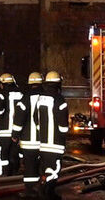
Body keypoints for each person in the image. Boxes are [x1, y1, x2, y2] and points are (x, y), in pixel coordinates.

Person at [36, 71, 69, 200]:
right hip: (55, 142)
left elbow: (35, 118)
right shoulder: (59, 100)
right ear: (58, 84)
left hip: (43, 142)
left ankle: (46, 190)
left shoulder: (41, 98)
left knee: (45, 167)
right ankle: (46, 189)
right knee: (54, 170)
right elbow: (63, 124)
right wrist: (64, 131)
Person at [12, 72, 43, 198]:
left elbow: (19, 119)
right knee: (42, 165)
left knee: (29, 166)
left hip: (28, 140)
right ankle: (42, 188)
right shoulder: (47, 97)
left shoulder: (25, 99)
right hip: (45, 141)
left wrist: (15, 134)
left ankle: (30, 191)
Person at [0, 73, 23, 176]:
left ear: (3, 84)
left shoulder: (2, 94)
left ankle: (4, 174)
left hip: (4, 130)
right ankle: (15, 172)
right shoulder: (21, 94)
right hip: (17, 130)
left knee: (4, 153)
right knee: (14, 153)